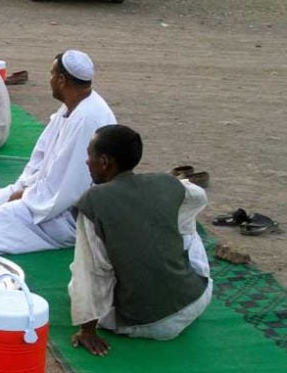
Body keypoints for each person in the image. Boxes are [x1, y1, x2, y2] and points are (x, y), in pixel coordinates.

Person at [69, 125, 212, 356]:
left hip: (149, 324)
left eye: (90, 155)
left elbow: (92, 272)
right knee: (188, 229)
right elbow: (198, 196)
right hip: (197, 299)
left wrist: (87, 330)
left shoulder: (94, 201)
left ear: (104, 162)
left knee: (79, 275)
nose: (87, 162)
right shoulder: (167, 182)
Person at [0, 50, 117, 254]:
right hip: (45, 194)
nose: (49, 79)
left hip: (69, 213)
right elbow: (42, 156)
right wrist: (24, 186)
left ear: (61, 80)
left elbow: (69, 187)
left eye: (51, 74)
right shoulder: (71, 107)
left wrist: (26, 196)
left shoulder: (87, 118)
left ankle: (66, 237)